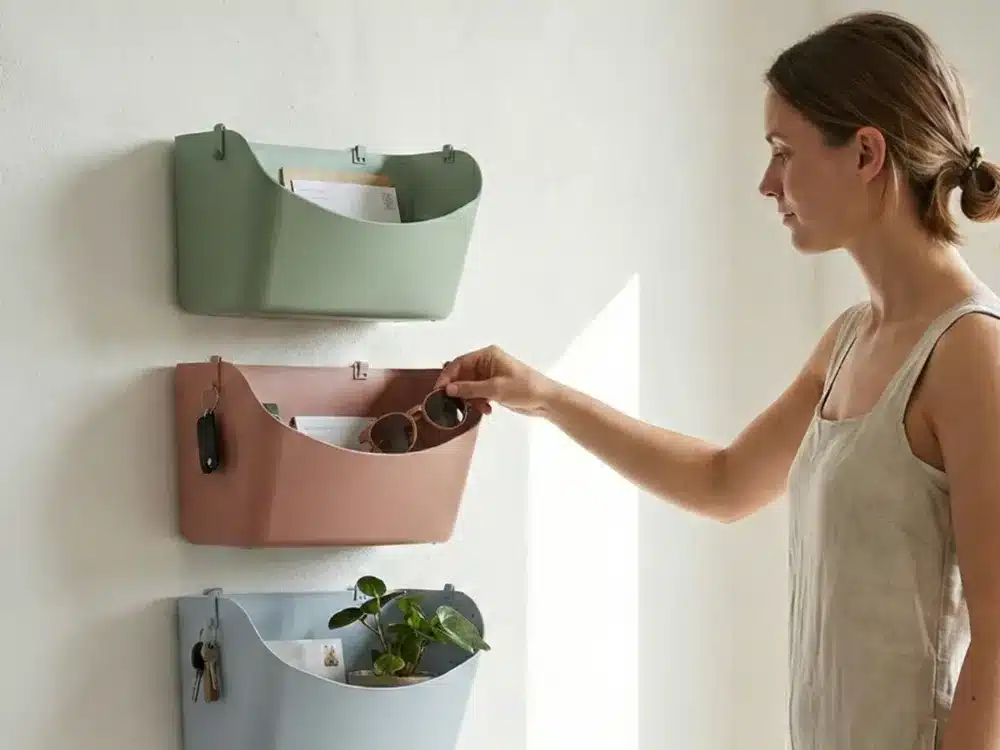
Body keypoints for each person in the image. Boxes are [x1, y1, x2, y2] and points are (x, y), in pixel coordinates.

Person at [436, 11, 1000, 750]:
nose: (768, 183)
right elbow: (724, 482)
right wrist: (544, 395)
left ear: (866, 153)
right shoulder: (849, 340)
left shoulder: (970, 353)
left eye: (783, 151)